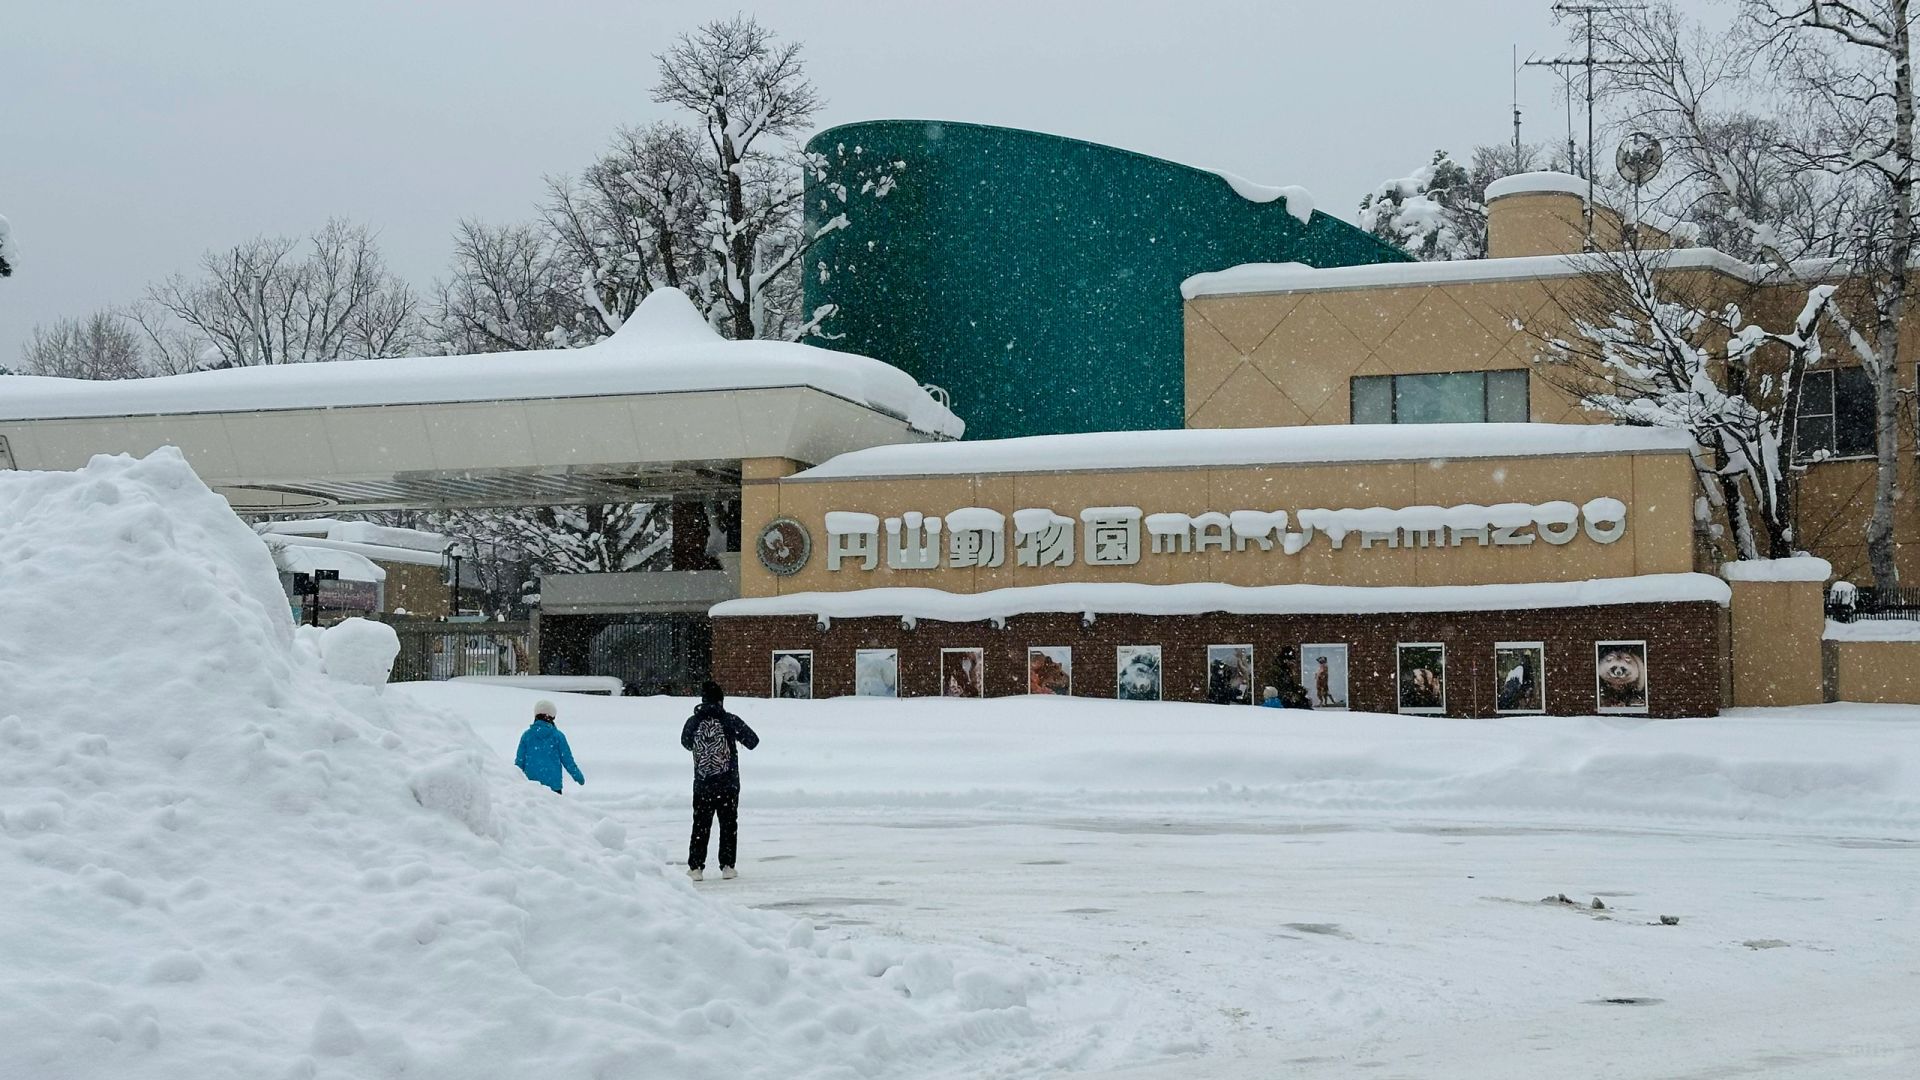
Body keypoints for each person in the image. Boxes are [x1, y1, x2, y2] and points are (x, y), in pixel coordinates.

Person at [681, 680, 760, 881]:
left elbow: (685, 742)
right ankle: (727, 866)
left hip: (702, 783)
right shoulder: (729, 720)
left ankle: (696, 867)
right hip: (728, 783)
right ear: (721, 700)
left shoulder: (693, 721)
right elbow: (753, 741)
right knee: (728, 824)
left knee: (700, 825)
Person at [514, 699, 584, 794]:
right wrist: (578, 776)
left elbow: (519, 762)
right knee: (554, 809)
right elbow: (568, 761)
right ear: (552, 717)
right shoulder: (558, 736)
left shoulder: (527, 736)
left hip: (531, 785)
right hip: (553, 785)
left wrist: (515, 780)